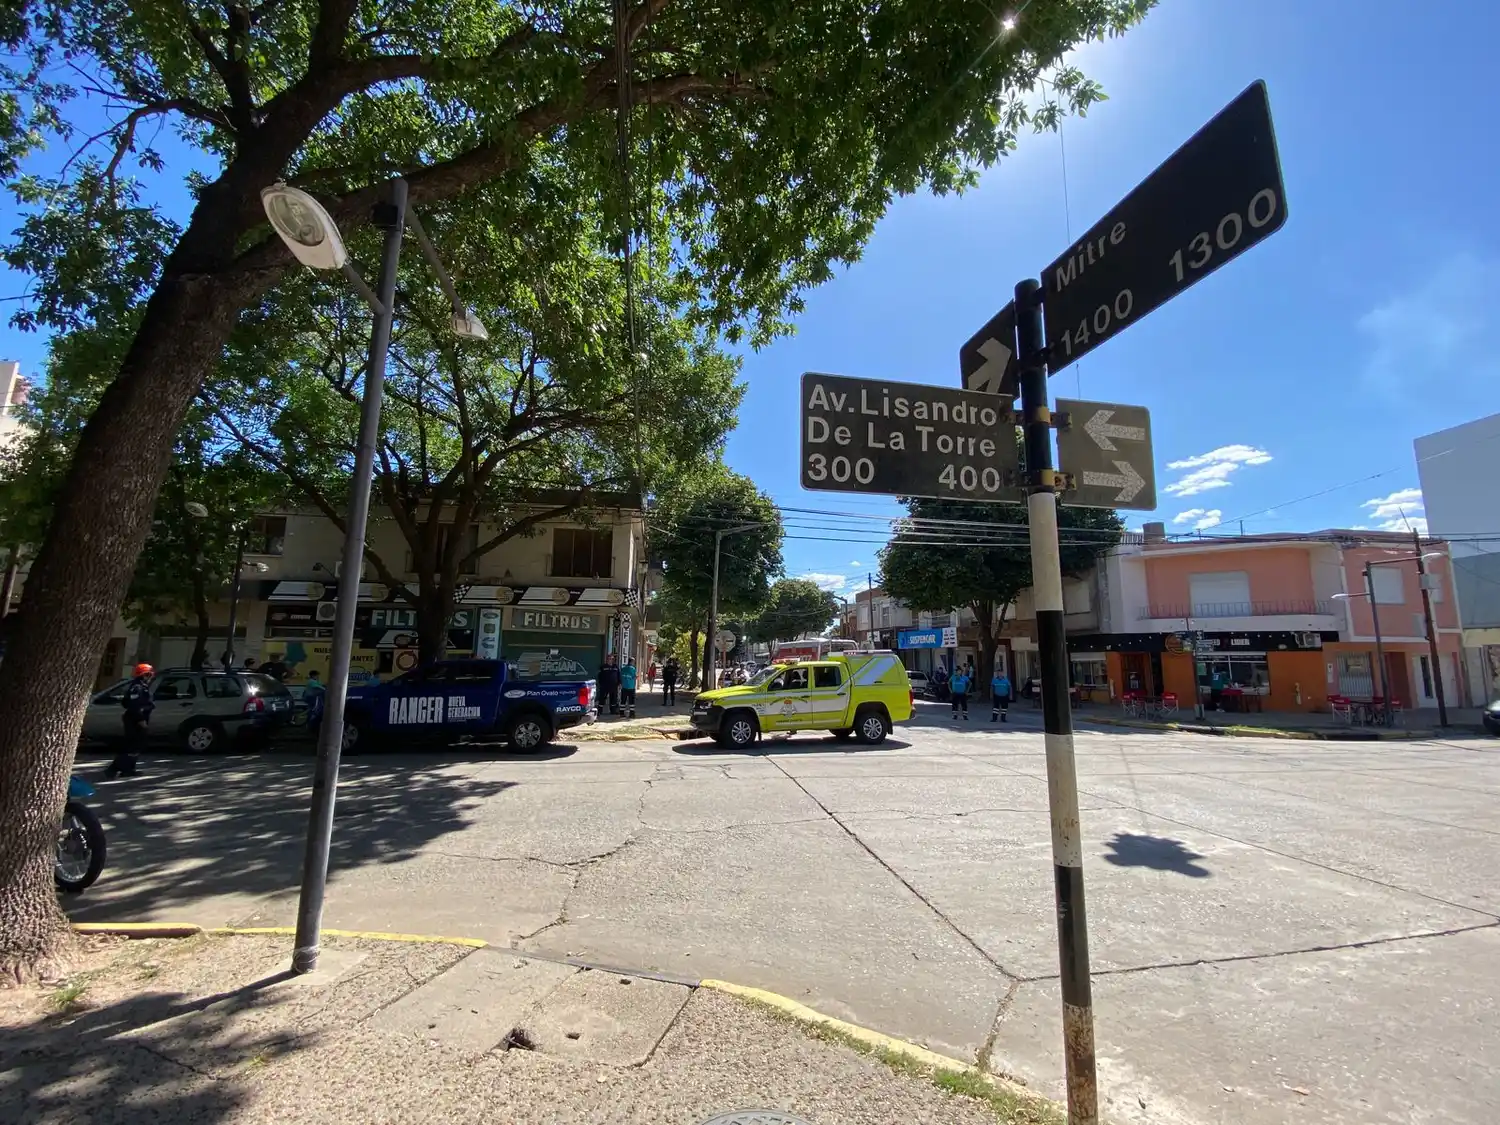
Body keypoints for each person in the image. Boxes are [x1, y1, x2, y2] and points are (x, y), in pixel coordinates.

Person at [107, 663, 154, 778]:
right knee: (132, 746)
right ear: (144, 675)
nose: (151, 677)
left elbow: (125, 702)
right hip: (135, 719)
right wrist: (141, 720)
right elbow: (134, 705)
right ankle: (113, 769)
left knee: (136, 747)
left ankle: (129, 770)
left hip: (136, 718)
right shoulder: (137, 688)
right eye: (149, 675)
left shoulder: (141, 686)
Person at [303, 670, 327, 743]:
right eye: (317, 675)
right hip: (311, 698)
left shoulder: (314, 681)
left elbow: (321, 685)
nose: (318, 677)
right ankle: (309, 724)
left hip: (312, 698)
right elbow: (319, 687)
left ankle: (309, 724)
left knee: (313, 709)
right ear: (313, 676)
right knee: (313, 710)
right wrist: (325, 689)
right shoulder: (311, 682)